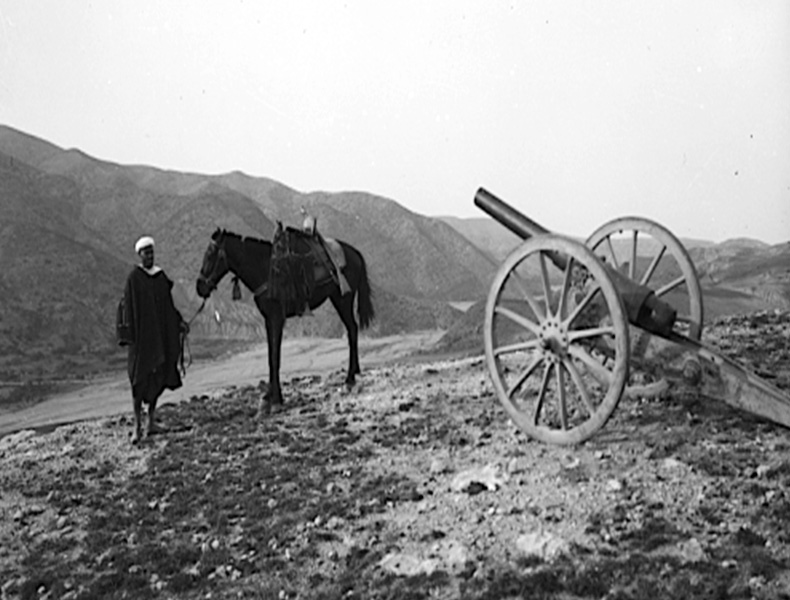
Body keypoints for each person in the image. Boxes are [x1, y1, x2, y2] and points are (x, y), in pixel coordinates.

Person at [121, 235, 187, 443]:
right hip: (142, 341)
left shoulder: (159, 278)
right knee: (139, 381)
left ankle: (150, 422)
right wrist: (129, 337)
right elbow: (128, 310)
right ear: (139, 255)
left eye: (151, 252)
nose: (149, 256)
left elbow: (168, 307)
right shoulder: (133, 279)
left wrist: (179, 322)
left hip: (159, 338)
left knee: (158, 378)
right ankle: (136, 427)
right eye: (145, 253)